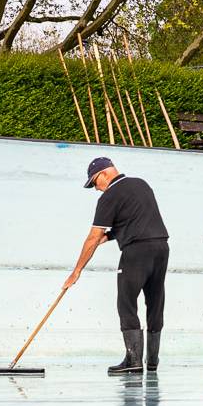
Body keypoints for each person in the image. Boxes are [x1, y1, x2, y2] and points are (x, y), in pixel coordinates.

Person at [63, 156, 172, 375]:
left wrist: (76, 272)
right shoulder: (141, 184)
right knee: (155, 301)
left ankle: (133, 360)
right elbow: (138, 219)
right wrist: (112, 235)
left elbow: (93, 237)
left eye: (94, 183)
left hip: (136, 252)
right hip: (161, 247)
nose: (96, 189)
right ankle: (152, 361)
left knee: (126, 302)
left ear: (104, 174)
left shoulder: (110, 196)